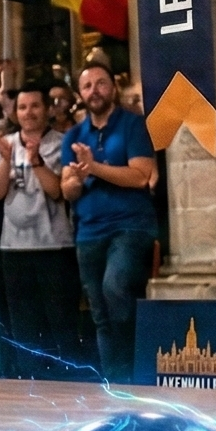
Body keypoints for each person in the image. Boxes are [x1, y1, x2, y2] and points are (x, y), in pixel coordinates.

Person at [60, 63, 157, 382]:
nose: (94, 91)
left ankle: (133, 373)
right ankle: (114, 382)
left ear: (113, 87)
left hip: (129, 227)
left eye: (100, 83)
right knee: (100, 311)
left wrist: (94, 167)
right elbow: (67, 190)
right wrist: (75, 179)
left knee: (115, 289)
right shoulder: (74, 136)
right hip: (89, 231)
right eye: (87, 86)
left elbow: (141, 176)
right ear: (80, 93)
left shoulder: (133, 125)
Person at [0, 85, 79, 379]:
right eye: (22, 107)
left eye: (35, 106)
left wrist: (35, 160)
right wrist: (6, 160)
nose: (29, 112)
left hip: (54, 245)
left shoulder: (62, 142)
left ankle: (67, 381)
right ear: (15, 113)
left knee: (60, 319)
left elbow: (57, 191)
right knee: (23, 324)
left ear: (47, 109)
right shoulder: (6, 143)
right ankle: (30, 381)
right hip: (14, 246)